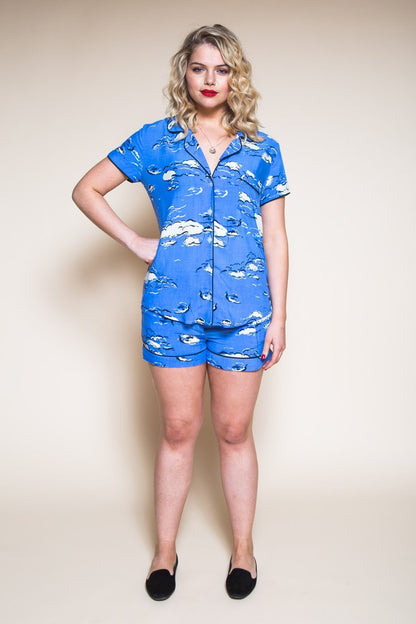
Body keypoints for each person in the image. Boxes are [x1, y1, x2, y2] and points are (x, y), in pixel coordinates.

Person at [72, 23, 290, 601]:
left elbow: (275, 238)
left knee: (234, 431)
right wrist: (136, 242)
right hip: (172, 311)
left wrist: (279, 317)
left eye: (222, 69)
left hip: (246, 316)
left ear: (236, 76)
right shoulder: (157, 140)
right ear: (184, 74)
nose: (210, 79)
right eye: (199, 68)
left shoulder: (263, 150)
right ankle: (164, 552)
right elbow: (86, 189)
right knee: (177, 430)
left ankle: (243, 551)